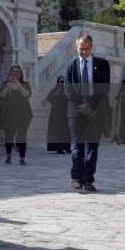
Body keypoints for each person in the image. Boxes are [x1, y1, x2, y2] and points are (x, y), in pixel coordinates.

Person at [64, 34, 111, 192]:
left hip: (95, 111)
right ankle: (76, 177)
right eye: (81, 49)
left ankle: (88, 179)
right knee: (77, 145)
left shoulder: (102, 64)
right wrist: (82, 105)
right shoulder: (71, 67)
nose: (84, 52)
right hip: (76, 112)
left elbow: (104, 87)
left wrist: (90, 106)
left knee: (92, 147)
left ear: (92, 47)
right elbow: (68, 90)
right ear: (76, 47)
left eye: (87, 49)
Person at [0, 65, 33, 165]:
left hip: (24, 114)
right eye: (13, 71)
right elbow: (0, 96)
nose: (15, 73)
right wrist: (8, 86)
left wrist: (18, 84)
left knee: (22, 136)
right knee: (9, 136)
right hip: (8, 114)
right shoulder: (5, 84)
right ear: (10, 73)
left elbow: (27, 94)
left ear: (20, 73)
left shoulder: (25, 84)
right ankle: (8, 156)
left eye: (18, 71)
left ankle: (22, 158)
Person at [46, 76, 71, 154]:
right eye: (61, 82)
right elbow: (49, 99)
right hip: (56, 114)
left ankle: (67, 147)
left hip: (66, 113)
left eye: (64, 81)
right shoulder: (55, 90)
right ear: (58, 82)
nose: (62, 83)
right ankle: (59, 148)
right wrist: (56, 94)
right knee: (58, 131)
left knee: (67, 131)